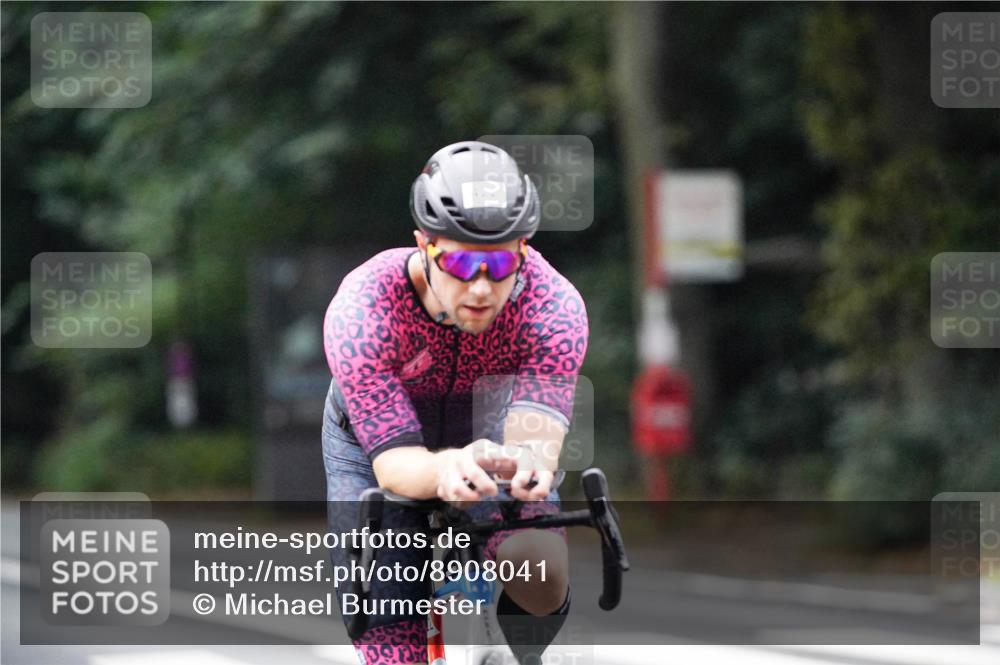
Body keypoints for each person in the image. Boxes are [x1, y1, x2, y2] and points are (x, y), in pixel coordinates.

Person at [322, 140, 588, 665]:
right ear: (423, 245)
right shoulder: (364, 308)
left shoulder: (553, 307)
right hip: (376, 448)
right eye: (462, 262)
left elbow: (535, 444)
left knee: (542, 569)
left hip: (490, 438)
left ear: (525, 249)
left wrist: (526, 467)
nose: (482, 288)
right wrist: (446, 470)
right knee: (388, 630)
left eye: (501, 262)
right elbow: (396, 465)